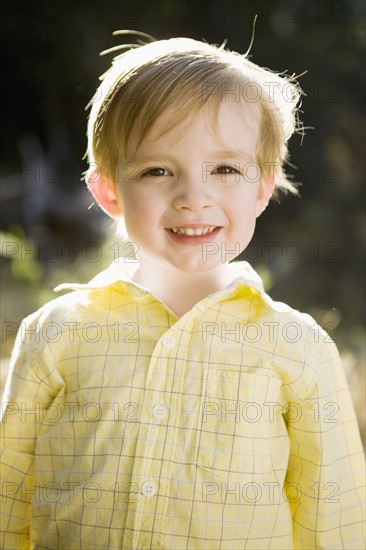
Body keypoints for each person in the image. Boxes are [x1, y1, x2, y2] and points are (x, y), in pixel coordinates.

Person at [1, 31, 365, 550]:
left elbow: (335, 522)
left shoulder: (298, 348)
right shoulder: (56, 334)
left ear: (263, 186)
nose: (193, 197)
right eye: (157, 170)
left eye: (224, 169)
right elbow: (7, 500)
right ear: (109, 191)